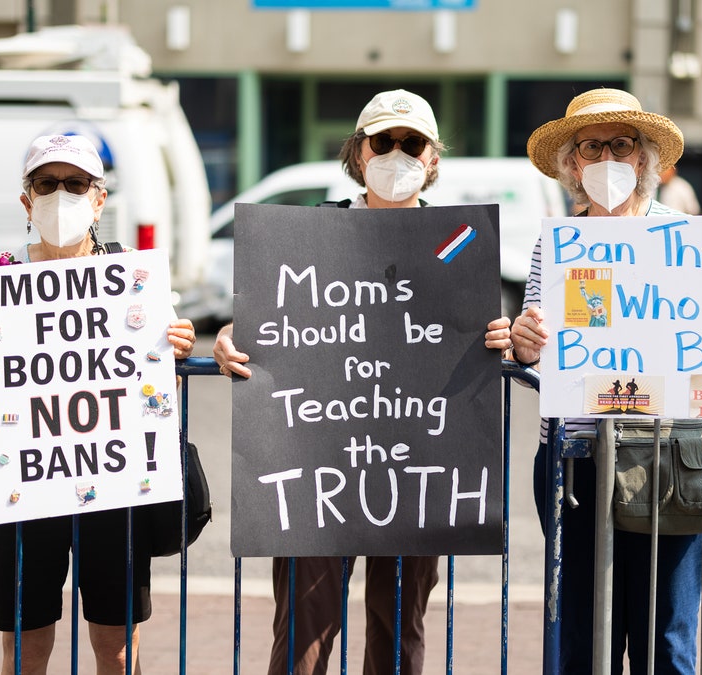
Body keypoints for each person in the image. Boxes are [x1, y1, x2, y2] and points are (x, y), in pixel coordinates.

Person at [509, 88, 702, 674]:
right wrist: (526, 347)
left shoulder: (691, 238)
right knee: (578, 635)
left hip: (670, 454)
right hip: (574, 459)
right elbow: (541, 356)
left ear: (645, 159)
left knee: (666, 639)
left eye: (620, 145)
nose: (606, 159)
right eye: (591, 147)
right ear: (572, 164)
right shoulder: (553, 248)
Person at [211, 89, 513, 674]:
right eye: (384, 141)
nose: (397, 153)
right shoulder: (309, 234)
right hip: (315, 472)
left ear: (432, 158)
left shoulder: (458, 245)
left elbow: (476, 335)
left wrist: (497, 337)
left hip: (418, 472)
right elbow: (269, 321)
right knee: (302, 633)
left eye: (412, 142)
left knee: (399, 630)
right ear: (359, 151)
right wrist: (229, 334)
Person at [0, 134, 197, 674]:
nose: (61, 194)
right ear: (26, 200)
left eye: (76, 183)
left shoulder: (130, 273)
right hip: (26, 491)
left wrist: (172, 350)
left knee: (118, 647)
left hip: (114, 488)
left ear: (100, 198)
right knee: (26, 649)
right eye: (47, 183)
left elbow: (158, 389)